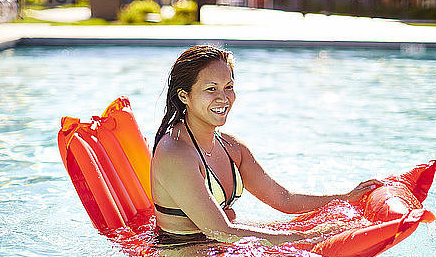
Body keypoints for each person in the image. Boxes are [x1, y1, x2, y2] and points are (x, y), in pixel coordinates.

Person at [151, 45, 382, 246]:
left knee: (337, 224)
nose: (223, 98)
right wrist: (305, 238)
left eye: (229, 87)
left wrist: (346, 197)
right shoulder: (176, 153)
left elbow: (284, 200)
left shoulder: (232, 147)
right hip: (182, 248)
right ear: (184, 96)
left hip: (220, 239)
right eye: (211, 89)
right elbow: (219, 230)